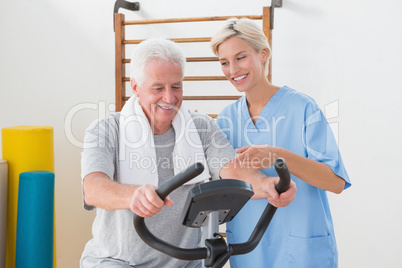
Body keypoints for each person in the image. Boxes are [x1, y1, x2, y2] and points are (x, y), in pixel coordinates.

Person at [80, 38, 296, 268]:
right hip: (117, 262)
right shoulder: (106, 130)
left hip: (185, 263)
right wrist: (133, 196)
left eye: (176, 86)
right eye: (158, 88)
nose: (170, 98)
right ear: (135, 87)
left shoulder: (201, 127)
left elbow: (232, 170)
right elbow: (93, 189)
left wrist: (266, 185)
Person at [211, 18, 351, 268]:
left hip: (301, 249)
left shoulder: (303, 107)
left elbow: (336, 182)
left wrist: (277, 155)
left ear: (263, 53)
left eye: (240, 57)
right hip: (248, 246)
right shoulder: (225, 119)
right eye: (224, 62)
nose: (232, 70)